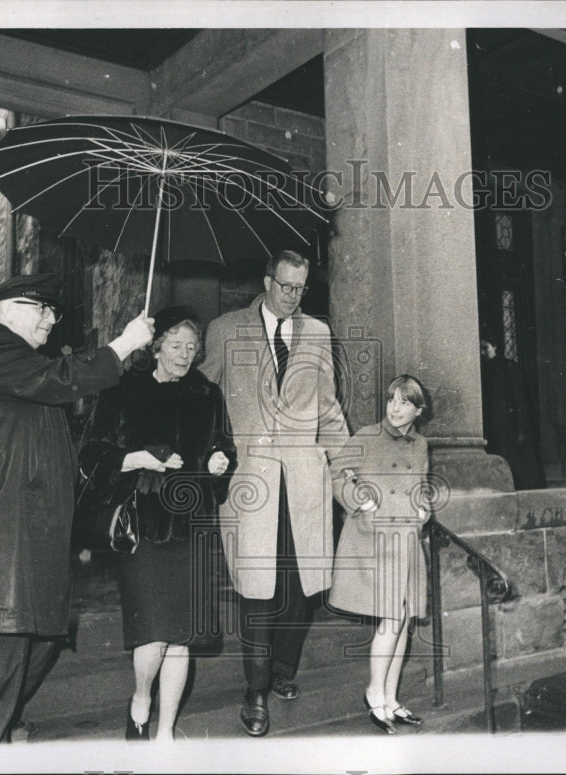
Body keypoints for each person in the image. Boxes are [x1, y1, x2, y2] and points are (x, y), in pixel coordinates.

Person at [0, 272, 156, 743]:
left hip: (27, 546)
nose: (51, 319)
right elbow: (62, 379)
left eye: (55, 311)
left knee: (43, 643)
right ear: (7, 308)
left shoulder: (25, 368)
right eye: (40, 308)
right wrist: (124, 344)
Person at [200, 249, 349, 737]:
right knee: (257, 589)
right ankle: (256, 689)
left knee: (301, 588)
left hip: (306, 479)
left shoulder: (319, 335)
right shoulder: (225, 329)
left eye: (301, 289)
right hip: (252, 482)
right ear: (267, 281)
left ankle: (283, 668)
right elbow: (203, 399)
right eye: (285, 287)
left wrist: (350, 474)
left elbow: (328, 409)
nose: (292, 297)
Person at [78, 306, 235, 742]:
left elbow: (224, 448)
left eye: (192, 347)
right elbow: (91, 453)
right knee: (152, 633)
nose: (185, 354)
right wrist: (136, 459)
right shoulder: (123, 390)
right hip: (144, 527)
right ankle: (141, 698)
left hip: (192, 525)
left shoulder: (207, 394)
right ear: (157, 345)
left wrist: (222, 461)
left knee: (181, 636)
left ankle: (165, 731)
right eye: (176, 345)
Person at [328, 375, 431, 734]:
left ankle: (390, 697)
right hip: (374, 538)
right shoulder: (368, 436)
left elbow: (420, 485)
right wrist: (362, 502)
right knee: (393, 616)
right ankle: (374, 693)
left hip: (405, 538)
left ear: (419, 409)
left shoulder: (420, 444)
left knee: (402, 619)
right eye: (391, 400)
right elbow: (337, 472)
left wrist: (423, 509)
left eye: (404, 402)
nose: (395, 407)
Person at [479, 335, 545, 490]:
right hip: (492, 425)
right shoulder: (481, 370)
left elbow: (519, 399)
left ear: (494, 347)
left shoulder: (508, 367)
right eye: (480, 349)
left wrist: (521, 430)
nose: (482, 352)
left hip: (509, 425)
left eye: (485, 347)